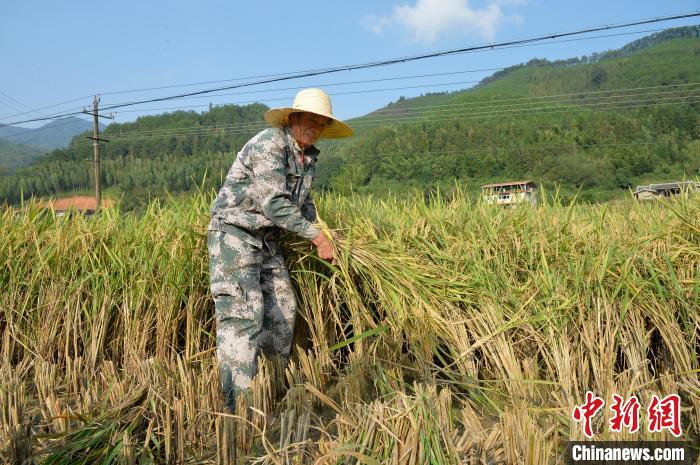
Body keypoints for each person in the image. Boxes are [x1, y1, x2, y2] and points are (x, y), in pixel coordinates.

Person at [207, 88, 353, 411]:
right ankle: (239, 410)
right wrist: (317, 238)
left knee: (284, 310)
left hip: (267, 240)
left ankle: (268, 394)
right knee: (244, 315)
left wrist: (327, 232)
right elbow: (274, 202)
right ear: (293, 118)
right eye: (309, 120)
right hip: (235, 234)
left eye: (321, 124)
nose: (314, 127)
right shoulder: (269, 144)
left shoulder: (307, 157)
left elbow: (303, 203)